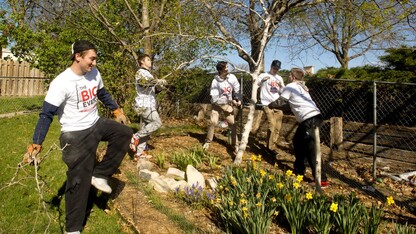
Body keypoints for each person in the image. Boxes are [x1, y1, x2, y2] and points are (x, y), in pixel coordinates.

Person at [23, 40, 133, 233]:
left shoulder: (94, 74)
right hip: (74, 134)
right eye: (92, 59)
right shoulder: (61, 82)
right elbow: (46, 114)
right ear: (78, 56)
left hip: (95, 123)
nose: (94, 63)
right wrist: (36, 144)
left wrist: (116, 111)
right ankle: (73, 229)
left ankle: (100, 175)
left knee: (124, 133)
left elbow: (102, 93)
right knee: (78, 180)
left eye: (95, 59)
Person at [270, 68, 329, 188]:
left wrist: (269, 103)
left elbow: (280, 102)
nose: (287, 77)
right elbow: (289, 105)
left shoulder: (290, 86)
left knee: (312, 149)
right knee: (297, 142)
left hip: (310, 119)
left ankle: (321, 180)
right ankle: (299, 170)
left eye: (288, 75)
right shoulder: (301, 87)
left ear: (292, 76)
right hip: (313, 117)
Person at [129, 54, 167, 159]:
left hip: (150, 103)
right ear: (142, 62)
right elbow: (143, 84)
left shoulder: (149, 74)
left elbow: (153, 90)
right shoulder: (140, 72)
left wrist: (161, 87)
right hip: (143, 105)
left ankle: (139, 153)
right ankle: (135, 137)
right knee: (157, 123)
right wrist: (157, 81)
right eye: (148, 60)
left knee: (146, 129)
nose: (150, 61)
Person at [203, 61, 242, 154]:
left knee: (232, 123)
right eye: (226, 68)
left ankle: (235, 146)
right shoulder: (215, 81)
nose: (228, 69)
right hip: (217, 104)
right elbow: (215, 99)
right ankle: (207, 141)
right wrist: (230, 101)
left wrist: (238, 99)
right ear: (221, 70)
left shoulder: (232, 77)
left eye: (227, 67)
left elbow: (237, 89)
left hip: (228, 105)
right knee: (213, 122)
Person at [251, 60, 285, 154]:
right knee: (272, 125)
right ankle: (269, 148)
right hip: (266, 103)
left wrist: (281, 85)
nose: (275, 70)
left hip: (277, 104)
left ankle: (272, 146)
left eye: (277, 69)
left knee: (278, 127)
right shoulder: (263, 75)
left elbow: (283, 91)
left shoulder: (279, 78)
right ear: (271, 66)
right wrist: (262, 81)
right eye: (274, 68)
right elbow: (255, 85)